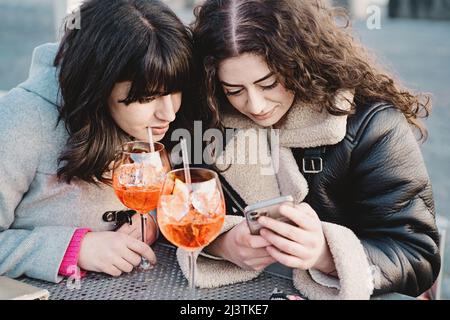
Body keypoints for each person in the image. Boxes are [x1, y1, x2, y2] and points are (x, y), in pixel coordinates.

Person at [177, 0, 441, 299]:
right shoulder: (209, 119)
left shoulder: (374, 125)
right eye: (234, 90)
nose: (255, 105)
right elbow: (177, 214)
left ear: (299, 62)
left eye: (269, 83)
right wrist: (220, 243)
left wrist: (327, 255)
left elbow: (419, 258)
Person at [0, 0, 192, 282]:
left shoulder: (154, 121)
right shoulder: (21, 121)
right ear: (99, 87)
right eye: (148, 97)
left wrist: (148, 221)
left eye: (175, 91)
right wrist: (73, 248)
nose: (169, 112)